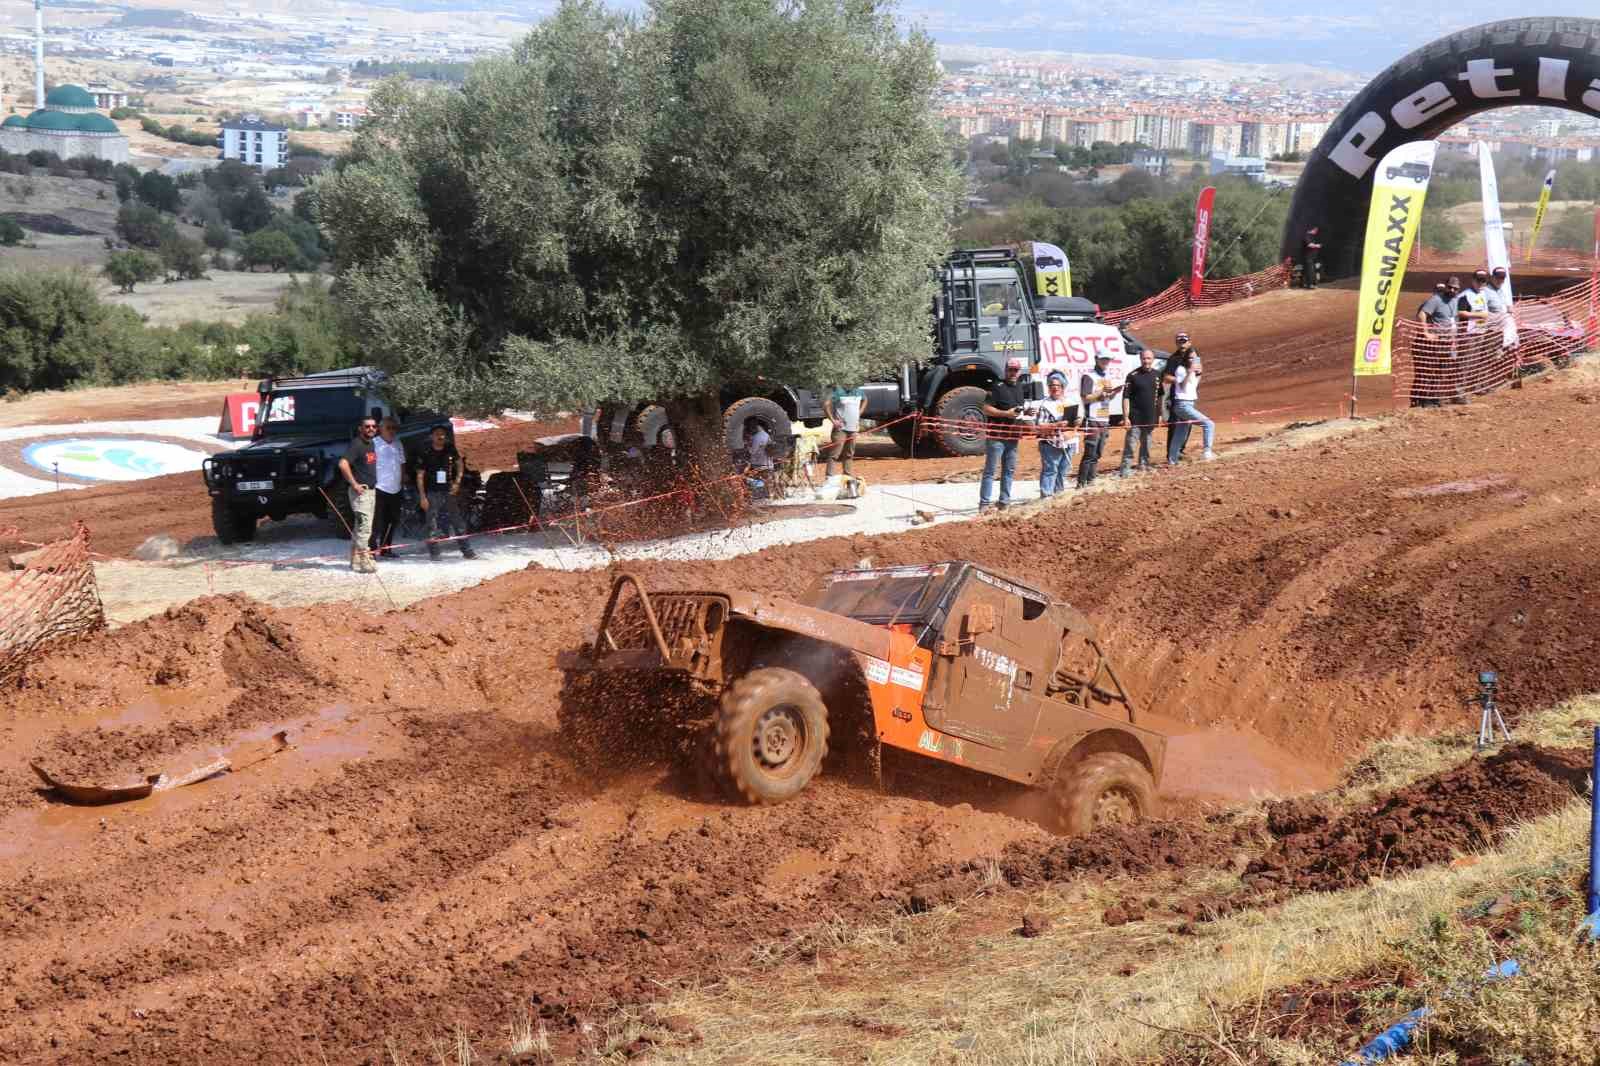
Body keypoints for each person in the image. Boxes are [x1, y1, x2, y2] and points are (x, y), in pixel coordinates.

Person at [416, 424, 477, 560]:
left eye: (443, 434)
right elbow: (420, 475)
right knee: (431, 523)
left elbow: (460, 464)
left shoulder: (450, 449)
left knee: (457, 521)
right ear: (431, 436)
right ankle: (435, 553)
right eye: (437, 433)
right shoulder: (425, 452)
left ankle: (467, 551)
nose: (440, 436)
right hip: (432, 491)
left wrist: (457, 482)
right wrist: (422, 497)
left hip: (449, 490)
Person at [978, 357, 1027, 512]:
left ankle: (1004, 501)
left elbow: (1018, 409)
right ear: (1005, 370)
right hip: (996, 436)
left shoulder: (1020, 387)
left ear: (1019, 372)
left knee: (1009, 470)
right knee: (990, 470)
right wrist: (1006, 414)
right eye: (1010, 369)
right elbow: (985, 408)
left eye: (1016, 370)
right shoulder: (997, 386)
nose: (1013, 372)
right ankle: (984, 504)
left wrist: (1026, 412)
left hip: (1013, 435)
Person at [337, 416, 380, 573]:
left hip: (370, 491)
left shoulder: (371, 443)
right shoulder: (357, 444)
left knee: (359, 528)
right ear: (360, 429)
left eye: (373, 426)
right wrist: (354, 484)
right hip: (361, 493)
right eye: (367, 426)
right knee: (364, 528)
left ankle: (355, 561)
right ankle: (365, 560)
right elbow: (343, 463)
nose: (371, 429)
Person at [1026, 371, 1077, 497]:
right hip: (1050, 443)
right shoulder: (1044, 404)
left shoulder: (1070, 402)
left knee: (1062, 471)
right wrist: (1056, 425)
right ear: (1048, 388)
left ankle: (1058, 495)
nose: (1055, 388)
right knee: (1050, 470)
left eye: (1057, 386)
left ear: (1063, 387)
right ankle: (1046, 496)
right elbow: (1040, 425)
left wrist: (1075, 426)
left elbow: (1076, 421)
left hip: (1068, 442)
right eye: (1051, 386)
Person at [1076, 351, 1122, 487]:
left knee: (1098, 452)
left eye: (1107, 359)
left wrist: (1113, 393)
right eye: (1103, 359)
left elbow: (1107, 397)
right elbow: (1085, 397)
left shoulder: (1108, 376)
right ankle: (1081, 482)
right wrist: (1100, 394)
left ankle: (1091, 480)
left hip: (1104, 418)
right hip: (1092, 418)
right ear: (1096, 359)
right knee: (1090, 452)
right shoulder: (1089, 376)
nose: (1105, 361)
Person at [1166, 339, 1215, 464]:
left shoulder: (1192, 370)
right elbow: (1182, 386)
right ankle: (1207, 452)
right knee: (1208, 424)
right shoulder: (1181, 370)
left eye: (1194, 358)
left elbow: (1195, 382)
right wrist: (1190, 372)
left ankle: (1172, 459)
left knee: (1180, 432)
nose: (1191, 360)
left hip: (1189, 403)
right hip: (1182, 404)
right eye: (1190, 358)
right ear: (1186, 358)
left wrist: (1197, 370)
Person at [1412, 280, 1457, 408]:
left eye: (1442, 291)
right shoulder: (1430, 303)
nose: (1440, 293)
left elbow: (1452, 322)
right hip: (1427, 345)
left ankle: (1434, 397)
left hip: (1444, 343)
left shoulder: (1450, 303)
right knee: (1426, 372)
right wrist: (1426, 333)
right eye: (1438, 290)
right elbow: (1420, 317)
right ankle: (1421, 400)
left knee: (1440, 371)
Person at [1117, 347, 1161, 475]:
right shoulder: (1132, 376)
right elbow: (1125, 397)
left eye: (1149, 358)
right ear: (1140, 359)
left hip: (1150, 417)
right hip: (1135, 417)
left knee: (1147, 443)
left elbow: (1160, 396)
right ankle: (1125, 469)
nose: (1146, 361)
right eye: (1144, 358)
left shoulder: (1157, 375)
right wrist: (1126, 417)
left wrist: (1160, 414)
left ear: (1153, 359)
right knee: (1131, 444)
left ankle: (1144, 464)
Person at [1451, 270, 1491, 405]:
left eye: (1483, 281)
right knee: (1465, 363)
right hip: (1467, 334)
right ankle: (1458, 393)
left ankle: (1471, 388)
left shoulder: (1483, 294)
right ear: (1473, 280)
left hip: (1480, 331)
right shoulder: (1465, 295)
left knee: (1474, 362)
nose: (1481, 283)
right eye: (1478, 280)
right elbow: (1461, 312)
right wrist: (1480, 316)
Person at [369, 416, 405, 558]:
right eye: (388, 428)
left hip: (395, 488)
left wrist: (402, 482)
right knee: (376, 521)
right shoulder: (373, 444)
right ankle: (371, 550)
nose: (391, 431)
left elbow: (402, 463)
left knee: (392, 520)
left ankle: (386, 548)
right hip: (379, 488)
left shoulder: (398, 443)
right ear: (380, 429)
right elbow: (369, 465)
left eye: (394, 428)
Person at [1161, 331, 1195, 461]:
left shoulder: (1194, 354)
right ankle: (1171, 453)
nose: (1182, 343)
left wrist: (1195, 383)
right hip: (1177, 396)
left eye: (1184, 341)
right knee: (1175, 424)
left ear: (1189, 342)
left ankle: (1181, 449)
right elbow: (1166, 377)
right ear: (1176, 343)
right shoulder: (1173, 358)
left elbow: (1199, 369)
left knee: (1188, 423)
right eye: (1180, 341)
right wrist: (1180, 382)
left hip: (1190, 396)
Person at [823, 384, 865, 479]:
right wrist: (833, 420)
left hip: (853, 429)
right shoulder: (837, 392)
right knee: (834, 454)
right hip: (840, 429)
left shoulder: (858, 391)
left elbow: (865, 400)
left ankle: (847, 476)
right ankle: (829, 477)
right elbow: (826, 405)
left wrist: (859, 412)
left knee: (849, 454)